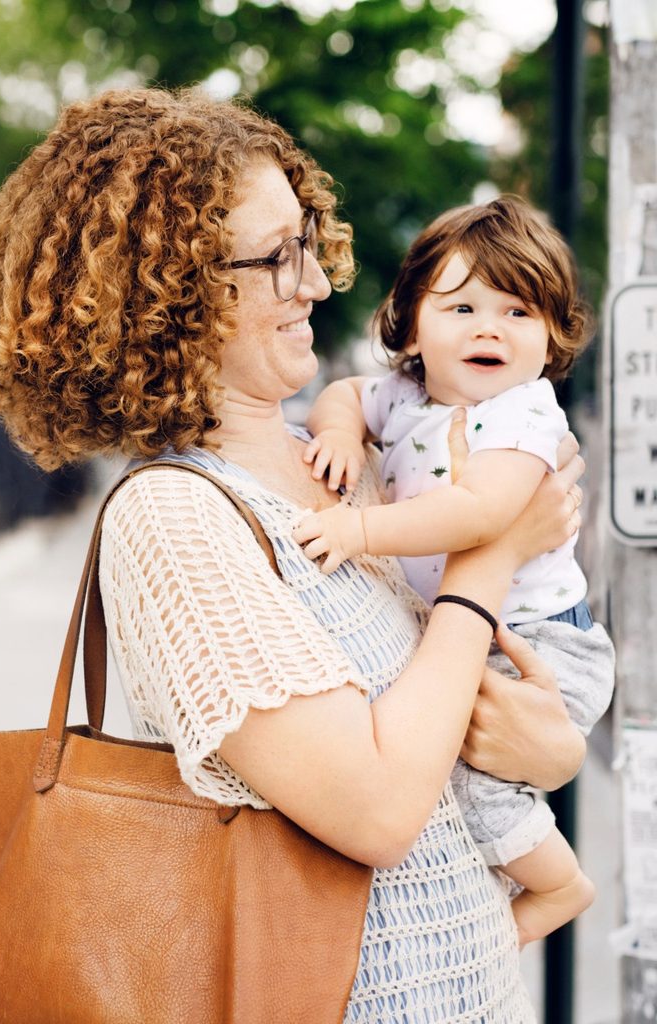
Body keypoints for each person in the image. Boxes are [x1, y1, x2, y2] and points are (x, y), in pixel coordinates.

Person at [0, 87, 587, 1021]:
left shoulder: (344, 465)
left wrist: (550, 747)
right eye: (276, 256)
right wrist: (489, 558)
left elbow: (450, 729)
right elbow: (375, 810)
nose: (318, 283)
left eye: (308, 241)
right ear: (167, 293)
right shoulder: (176, 520)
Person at [294, 196, 615, 947]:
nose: (488, 329)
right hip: (481, 629)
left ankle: (558, 884)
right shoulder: (405, 397)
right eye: (463, 306)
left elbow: (478, 514)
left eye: (517, 313)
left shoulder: (524, 418)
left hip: (538, 644)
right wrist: (342, 432)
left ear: (552, 338)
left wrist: (360, 527)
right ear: (409, 324)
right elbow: (342, 395)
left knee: (471, 781)